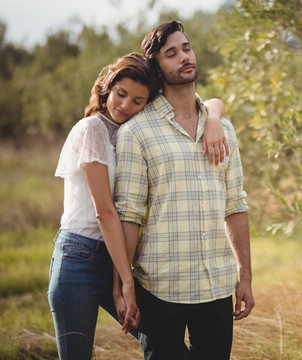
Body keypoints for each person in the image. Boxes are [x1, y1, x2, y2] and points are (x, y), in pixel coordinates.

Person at [48, 52, 227, 360]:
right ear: (107, 85)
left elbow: (207, 101)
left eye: (137, 101)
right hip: (80, 258)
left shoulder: (136, 130)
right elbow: (105, 212)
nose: (125, 106)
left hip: (116, 256)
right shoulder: (93, 129)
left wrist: (212, 119)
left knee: (167, 347)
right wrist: (126, 281)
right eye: (121, 94)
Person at [114, 20, 255, 359]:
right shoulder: (137, 133)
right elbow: (128, 216)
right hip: (161, 287)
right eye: (171, 53)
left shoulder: (223, 130)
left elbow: (235, 206)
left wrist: (245, 277)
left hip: (217, 286)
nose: (184, 57)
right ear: (156, 66)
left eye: (187, 48)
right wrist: (122, 286)